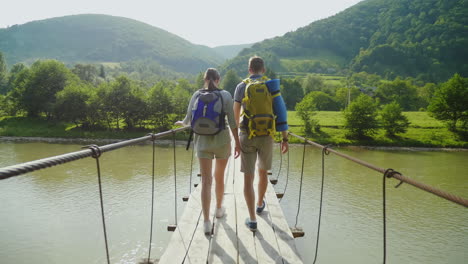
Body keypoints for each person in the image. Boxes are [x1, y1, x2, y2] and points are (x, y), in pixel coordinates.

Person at [175, 68, 240, 235]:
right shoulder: (225, 95)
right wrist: (238, 143)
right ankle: (218, 209)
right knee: (219, 176)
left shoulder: (196, 95)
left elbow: (187, 120)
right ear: (218, 79)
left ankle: (205, 221)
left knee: (206, 181)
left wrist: (181, 124)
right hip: (222, 141)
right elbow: (232, 122)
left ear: (205, 79)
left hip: (202, 142)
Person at [233, 56, 289, 232]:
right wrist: (284, 138)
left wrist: (235, 141)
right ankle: (259, 203)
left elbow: (235, 117)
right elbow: (281, 113)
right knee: (263, 172)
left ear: (249, 69)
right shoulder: (271, 85)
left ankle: (252, 219)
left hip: (246, 135)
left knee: (248, 178)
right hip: (267, 136)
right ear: (263, 70)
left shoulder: (241, 86)